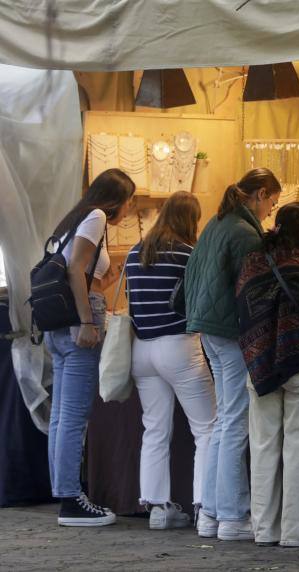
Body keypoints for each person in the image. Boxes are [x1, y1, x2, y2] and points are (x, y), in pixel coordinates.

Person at [184, 168, 281, 541]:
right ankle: (231, 515)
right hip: (230, 332)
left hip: (208, 328)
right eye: (271, 202)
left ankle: (210, 513)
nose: (272, 210)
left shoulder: (218, 223)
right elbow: (255, 289)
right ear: (259, 194)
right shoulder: (244, 233)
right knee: (236, 422)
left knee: (225, 421)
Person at [237, 202, 299, 547]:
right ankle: (296, 532)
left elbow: (243, 308)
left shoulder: (252, 264)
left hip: (260, 363)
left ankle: (263, 530)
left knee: (263, 446)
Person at [45, 168, 135, 527]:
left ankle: (64, 490)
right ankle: (70, 498)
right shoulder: (96, 217)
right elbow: (75, 269)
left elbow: (77, 267)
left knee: (61, 415)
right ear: (117, 199)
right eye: (129, 201)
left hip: (56, 323)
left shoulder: (74, 217)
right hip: (78, 321)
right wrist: (86, 321)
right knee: (73, 415)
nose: (129, 209)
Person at [126, 192, 216, 530]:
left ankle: (158, 509)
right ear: (189, 220)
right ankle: (206, 508)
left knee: (155, 429)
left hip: (142, 349)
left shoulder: (137, 252)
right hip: (178, 346)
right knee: (206, 429)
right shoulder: (188, 254)